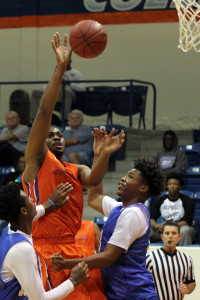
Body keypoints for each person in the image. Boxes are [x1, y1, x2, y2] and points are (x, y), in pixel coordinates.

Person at [21, 32, 125, 299]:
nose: (56, 136)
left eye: (60, 134)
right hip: (46, 250)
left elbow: (93, 182)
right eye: (50, 134)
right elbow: (44, 112)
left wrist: (102, 154)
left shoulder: (74, 170)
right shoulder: (37, 161)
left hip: (75, 249)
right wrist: (60, 68)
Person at [51, 158, 166, 300]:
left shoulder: (133, 213)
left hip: (134, 294)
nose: (123, 178)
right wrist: (101, 154)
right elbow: (94, 197)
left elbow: (108, 258)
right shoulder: (119, 209)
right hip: (120, 293)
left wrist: (66, 264)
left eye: (130, 177)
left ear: (143, 188)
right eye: (126, 175)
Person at [0, 182, 90, 300]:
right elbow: (40, 298)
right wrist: (73, 280)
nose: (32, 199)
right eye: (28, 198)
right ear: (24, 211)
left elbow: (35, 212)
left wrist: (51, 203)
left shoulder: (10, 229)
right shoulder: (21, 249)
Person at [146, 221, 196, 300]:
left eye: (174, 233)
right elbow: (141, 282)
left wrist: (188, 289)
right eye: (167, 233)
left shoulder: (186, 259)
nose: (170, 236)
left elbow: (191, 282)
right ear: (162, 236)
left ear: (179, 236)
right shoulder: (150, 257)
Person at [150, 172, 195, 245]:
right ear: (167, 186)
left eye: (175, 184)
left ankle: (184, 255)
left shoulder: (187, 200)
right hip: (164, 226)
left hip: (180, 227)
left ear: (180, 186)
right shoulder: (160, 200)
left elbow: (187, 221)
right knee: (147, 230)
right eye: (170, 184)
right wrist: (156, 226)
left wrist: (172, 227)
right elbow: (151, 218)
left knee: (186, 231)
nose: (172, 186)